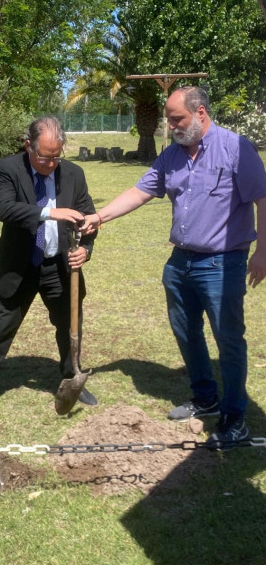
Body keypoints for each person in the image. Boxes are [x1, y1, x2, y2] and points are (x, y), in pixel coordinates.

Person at [82, 87, 266, 448]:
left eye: (177, 119)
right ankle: (205, 398)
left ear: (200, 114)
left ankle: (234, 417)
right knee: (186, 333)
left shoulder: (236, 149)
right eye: (169, 119)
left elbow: (263, 199)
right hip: (180, 262)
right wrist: (99, 216)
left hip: (222, 262)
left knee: (228, 339)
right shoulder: (172, 156)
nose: (171, 126)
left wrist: (263, 251)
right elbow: (141, 191)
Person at [0, 116, 98, 416]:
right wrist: (51, 212)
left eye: (56, 156)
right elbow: (6, 209)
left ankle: (71, 377)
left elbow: (89, 217)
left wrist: (86, 249)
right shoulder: (10, 167)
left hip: (58, 267)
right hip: (19, 267)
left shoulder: (74, 174)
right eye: (44, 157)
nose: (51, 164)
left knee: (70, 327)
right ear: (28, 146)